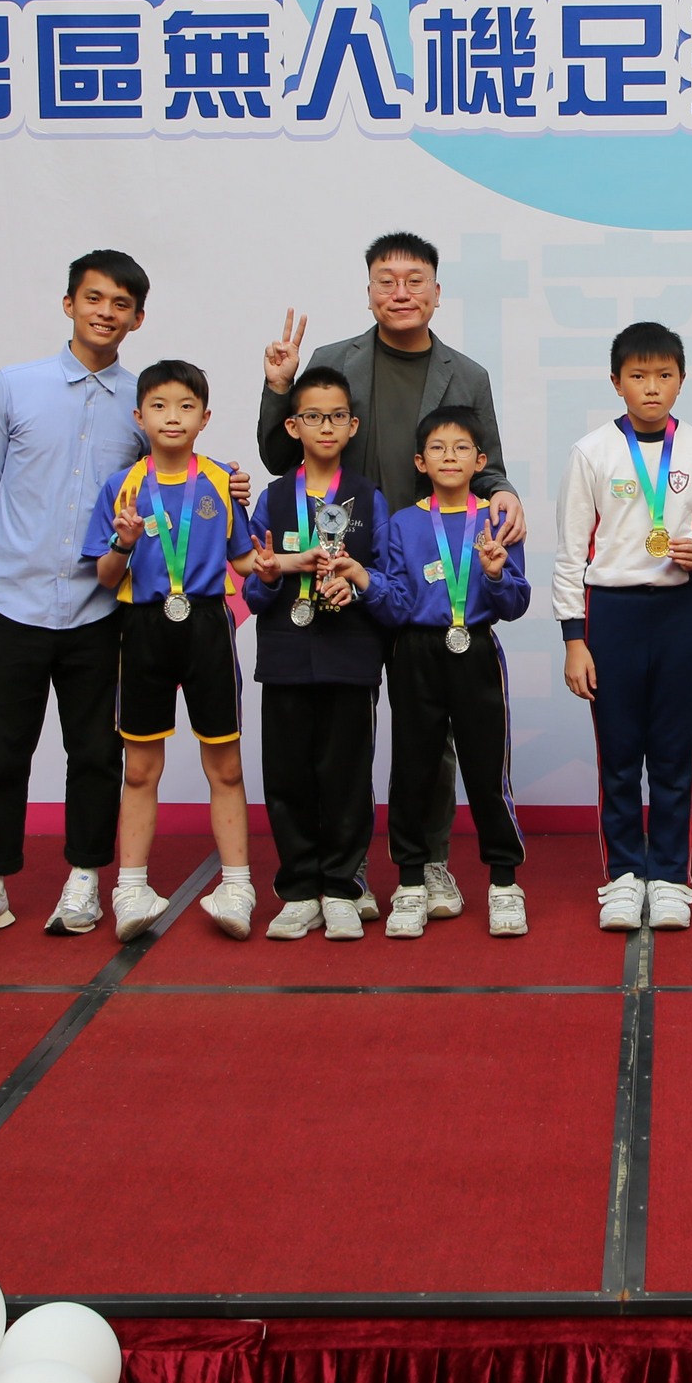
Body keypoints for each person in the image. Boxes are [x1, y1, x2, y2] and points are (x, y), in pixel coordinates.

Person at [0, 251, 244, 943]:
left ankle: (85, 878)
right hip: (16, 601)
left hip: (100, 609)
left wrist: (230, 486)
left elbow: (176, 476)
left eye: (121, 304)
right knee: (0, 749)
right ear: (69, 304)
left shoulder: (139, 402)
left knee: (94, 753)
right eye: (94, 298)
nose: (105, 312)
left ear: (137, 318)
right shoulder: (14, 387)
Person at [257, 233, 523, 916]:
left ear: (436, 291)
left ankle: (428, 863)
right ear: (369, 289)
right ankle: (342, 873)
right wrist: (280, 387)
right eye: (386, 280)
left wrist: (505, 492)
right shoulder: (332, 361)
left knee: (428, 737)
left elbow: (486, 464)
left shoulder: (467, 374)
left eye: (414, 280)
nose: (400, 292)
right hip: (340, 570)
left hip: (423, 577)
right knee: (342, 730)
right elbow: (279, 457)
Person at [555, 321, 692, 933]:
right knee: (617, 753)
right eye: (638, 376)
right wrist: (574, 639)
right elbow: (570, 554)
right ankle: (621, 876)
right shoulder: (591, 452)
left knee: (671, 750)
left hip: (677, 611)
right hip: (610, 614)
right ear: (616, 382)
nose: (652, 387)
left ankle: (669, 876)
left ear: (682, 380)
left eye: (664, 375)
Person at [80, 360, 262, 943]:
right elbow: (106, 577)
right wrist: (123, 542)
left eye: (186, 406)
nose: (173, 417)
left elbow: (243, 561)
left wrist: (280, 564)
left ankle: (237, 886)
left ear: (205, 418)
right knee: (140, 768)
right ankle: (130, 889)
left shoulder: (222, 481)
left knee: (225, 765)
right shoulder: (122, 487)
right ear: (140, 416)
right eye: (159, 406)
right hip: (143, 628)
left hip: (208, 625)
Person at [241, 367, 400, 939]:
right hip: (285, 654)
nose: (326, 426)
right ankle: (298, 889)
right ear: (293, 426)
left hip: (350, 655)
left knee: (347, 777)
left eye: (337, 416)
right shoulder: (273, 498)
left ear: (353, 426)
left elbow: (388, 582)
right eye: (313, 416)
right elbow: (253, 590)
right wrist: (268, 575)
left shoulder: (369, 497)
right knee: (287, 777)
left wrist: (357, 585)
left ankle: (341, 887)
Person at [373, 405, 532, 938]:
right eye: (437, 448)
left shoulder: (498, 519)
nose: (449, 457)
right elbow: (396, 603)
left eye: (461, 448)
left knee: (488, 771)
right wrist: (363, 582)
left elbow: (516, 604)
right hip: (416, 653)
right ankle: (411, 883)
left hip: (477, 649)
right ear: (420, 461)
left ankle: (504, 883)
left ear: (480, 461)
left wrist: (495, 575)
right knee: (413, 769)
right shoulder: (402, 522)